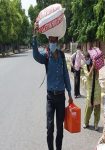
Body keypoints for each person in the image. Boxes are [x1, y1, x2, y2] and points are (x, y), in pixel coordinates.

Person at [32, 22, 73, 150]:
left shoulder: (61, 56)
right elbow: (35, 56)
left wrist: (70, 93)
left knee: (59, 128)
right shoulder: (46, 56)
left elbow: (66, 75)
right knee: (50, 127)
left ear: (57, 41)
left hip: (61, 98)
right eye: (50, 40)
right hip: (50, 98)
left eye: (54, 40)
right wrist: (34, 35)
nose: (52, 42)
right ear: (49, 41)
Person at [83, 53, 101, 131]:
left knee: (97, 108)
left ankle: (96, 124)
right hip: (90, 90)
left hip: (97, 89)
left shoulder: (95, 67)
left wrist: (96, 68)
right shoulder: (84, 66)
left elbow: (97, 77)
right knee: (88, 108)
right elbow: (88, 76)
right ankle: (86, 122)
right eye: (85, 58)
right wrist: (92, 67)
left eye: (87, 58)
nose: (86, 60)